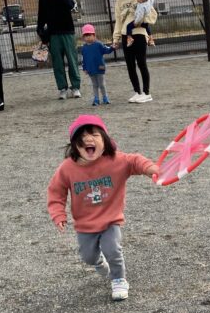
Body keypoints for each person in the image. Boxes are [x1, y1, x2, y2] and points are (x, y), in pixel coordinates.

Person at [47, 115, 158, 301]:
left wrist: (150, 168)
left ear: (105, 140)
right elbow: (56, 192)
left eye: (95, 135)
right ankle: (98, 261)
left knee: (112, 249)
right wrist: (58, 214)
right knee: (88, 257)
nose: (89, 139)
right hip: (85, 224)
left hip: (110, 219)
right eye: (82, 137)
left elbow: (135, 161)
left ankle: (119, 279)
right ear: (74, 145)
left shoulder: (116, 160)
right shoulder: (67, 168)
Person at [37, 0, 81, 100]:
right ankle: (62, 88)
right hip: (53, 34)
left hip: (68, 31)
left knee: (72, 60)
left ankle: (75, 87)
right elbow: (41, 15)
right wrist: (41, 32)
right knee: (57, 63)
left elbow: (71, 6)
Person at [112, 0, 152, 103]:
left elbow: (151, 13)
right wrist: (116, 38)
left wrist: (141, 22)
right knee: (130, 65)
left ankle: (146, 92)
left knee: (141, 63)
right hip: (125, 34)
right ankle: (137, 91)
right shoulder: (119, 0)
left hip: (139, 33)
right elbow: (118, 21)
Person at [80, 24, 115, 106]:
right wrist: (84, 68)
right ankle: (96, 99)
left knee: (101, 84)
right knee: (94, 85)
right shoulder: (84, 48)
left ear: (94, 35)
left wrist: (112, 48)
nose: (88, 37)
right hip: (90, 69)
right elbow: (83, 59)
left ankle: (105, 97)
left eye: (89, 35)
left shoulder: (99, 44)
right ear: (83, 37)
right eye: (86, 36)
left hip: (100, 68)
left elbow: (106, 50)